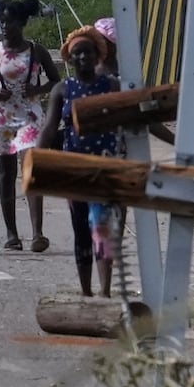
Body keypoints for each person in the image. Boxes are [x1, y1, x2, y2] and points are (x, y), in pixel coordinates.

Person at [0, 0, 61, 252]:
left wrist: (38, 88)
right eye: (2, 21)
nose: (5, 26)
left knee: (31, 170)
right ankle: (11, 234)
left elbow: (57, 81)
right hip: (3, 119)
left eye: (11, 21)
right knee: (6, 175)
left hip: (30, 117)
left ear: (22, 22)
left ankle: (38, 233)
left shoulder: (36, 51)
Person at [47, 28, 131, 298]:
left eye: (88, 52)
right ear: (70, 59)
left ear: (98, 55)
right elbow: (49, 129)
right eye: (77, 53)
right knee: (81, 229)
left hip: (104, 168)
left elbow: (134, 116)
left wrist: (176, 141)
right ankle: (86, 292)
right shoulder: (62, 90)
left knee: (102, 227)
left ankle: (105, 291)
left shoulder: (110, 86)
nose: (83, 56)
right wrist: (35, 162)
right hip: (74, 171)